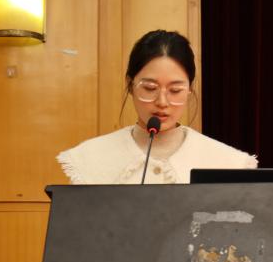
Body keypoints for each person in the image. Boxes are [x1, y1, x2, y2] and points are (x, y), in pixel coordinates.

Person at [57, 30, 257, 184]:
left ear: (189, 89)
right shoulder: (91, 157)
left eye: (175, 90)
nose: (162, 102)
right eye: (150, 88)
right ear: (130, 85)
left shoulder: (226, 162)